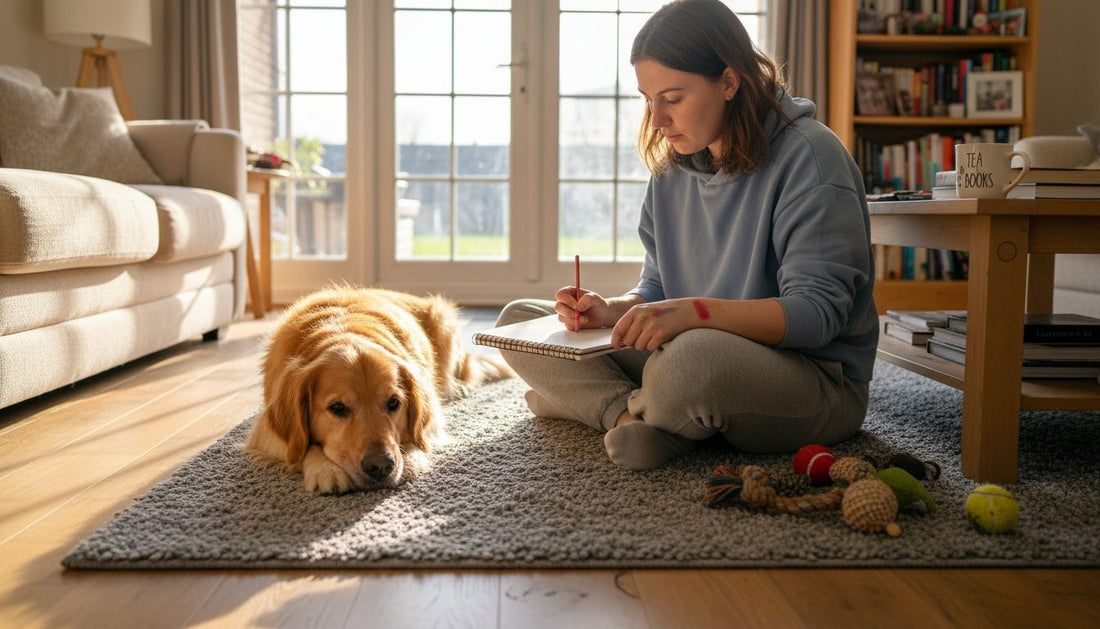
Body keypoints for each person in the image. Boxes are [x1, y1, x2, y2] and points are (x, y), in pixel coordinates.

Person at [496, 0, 879, 470]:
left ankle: (594, 403)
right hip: (690, 349)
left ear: (729, 82)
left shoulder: (812, 159)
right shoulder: (671, 171)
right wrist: (612, 311)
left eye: (672, 99)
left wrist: (695, 314)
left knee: (689, 364)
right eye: (647, 98)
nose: (657, 120)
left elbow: (817, 316)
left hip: (812, 378)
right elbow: (658, 290)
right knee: (518, 322)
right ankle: (626, 418)